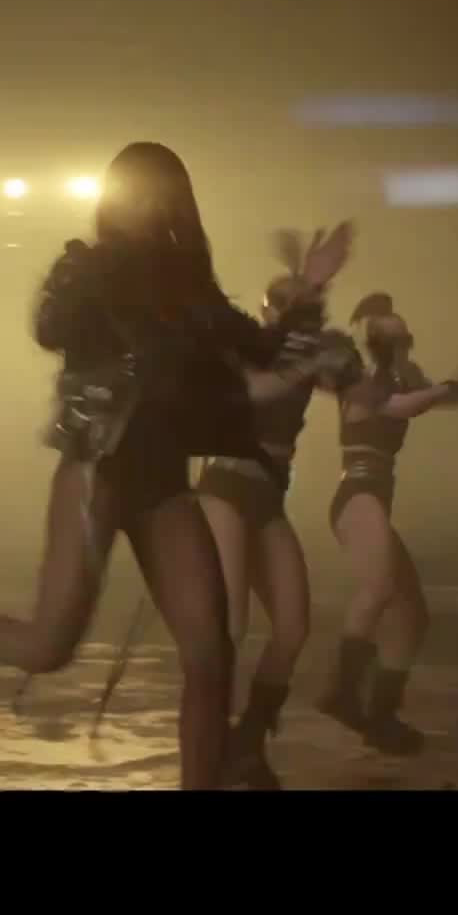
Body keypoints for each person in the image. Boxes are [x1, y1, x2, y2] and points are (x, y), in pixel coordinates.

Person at [0, 142, 351, 790]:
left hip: (163, 483)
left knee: (210, 651)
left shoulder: (193, 286)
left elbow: (264, 350)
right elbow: (50, 329)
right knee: (48, 646)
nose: (148, 206)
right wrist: (92, 279)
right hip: (97, 469)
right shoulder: (91, 268)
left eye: (159, 195)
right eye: (136, 193)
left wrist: (311, 286)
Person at [195, 263, 361, 789]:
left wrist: (347, 353)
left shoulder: (306, 351)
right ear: (268, 310)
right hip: (226, 486)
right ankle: (212, 745)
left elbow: (351, 382)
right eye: (284, 303)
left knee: (293, 627)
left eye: (303, 304)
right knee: (231, 626)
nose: (294, 312)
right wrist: (307, 357)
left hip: (268, 496)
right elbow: (255, 390)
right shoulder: (248, 346)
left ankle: (248, 743)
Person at [315, 293, 458, 756]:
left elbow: (425, 398)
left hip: (374, 496)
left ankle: (382, 715)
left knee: (412, 613)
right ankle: (342, 690)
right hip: (357, 494)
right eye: (394, 340)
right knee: (378, 588)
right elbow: (400, 407)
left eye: (406, 338)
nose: (404, 347)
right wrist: (446, 389)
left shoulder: (399, 377)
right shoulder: (361, 384)